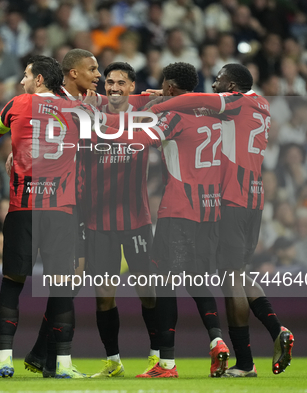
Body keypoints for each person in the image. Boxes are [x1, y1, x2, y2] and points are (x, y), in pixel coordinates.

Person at [148, 63, 294, 377]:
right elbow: (203, 105)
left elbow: (191, 101)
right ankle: (275, 328)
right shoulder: (262, 106)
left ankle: (244, 362)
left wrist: (160, 102)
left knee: (231, 282)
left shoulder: (236, 101)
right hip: (254, 200)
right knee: (238, 275)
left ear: (233, 85)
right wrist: (163, 92)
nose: (214, 85)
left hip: (231, 200)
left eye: (219, 80)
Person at [110, 62, 229, 378]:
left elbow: (138, 139)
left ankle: (166, 364)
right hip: (210, 211)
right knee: (197, 278)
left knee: (163, 284)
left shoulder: (172, 116)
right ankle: (217, 339)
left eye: (164, 85)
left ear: (172, 88)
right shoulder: (213, 115)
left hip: (179, 211)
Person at [0, 55, 84, 379]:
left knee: (12, 285)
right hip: (61, 211)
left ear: (39, 80)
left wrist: (17, 142)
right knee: (62, 288)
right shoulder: (76, 111)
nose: (21, 81)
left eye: (25, 75)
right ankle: (64, 365)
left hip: (24, 209)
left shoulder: (17, 104)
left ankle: (4, 359)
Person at [79, 62, 155, 378]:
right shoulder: (90, 120)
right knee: (103, 296)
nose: (113, 87)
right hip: (98, 223)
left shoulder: (145, 118)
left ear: (132, 86)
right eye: (109, 82)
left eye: (121, 83)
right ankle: (113, 361)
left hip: (136, 220)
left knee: (148, 291)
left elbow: (172, 100)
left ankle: (158, 356)